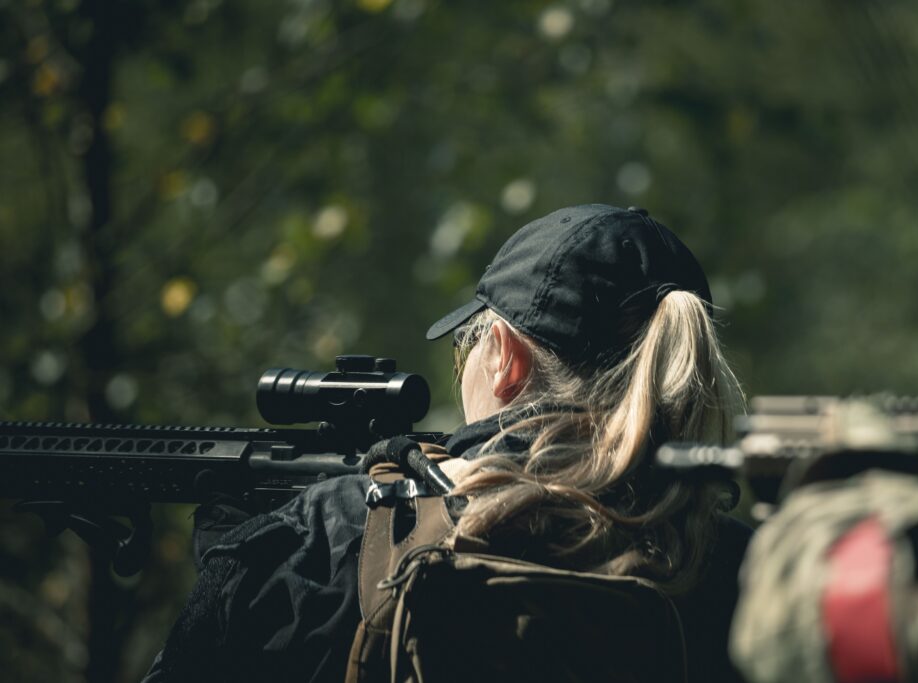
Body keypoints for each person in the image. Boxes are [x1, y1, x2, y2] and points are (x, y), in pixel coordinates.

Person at [143, 203, 751, 683]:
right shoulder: (743, 567)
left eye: (468, 346)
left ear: (506, 362)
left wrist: (241, 563)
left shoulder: (329, 535)